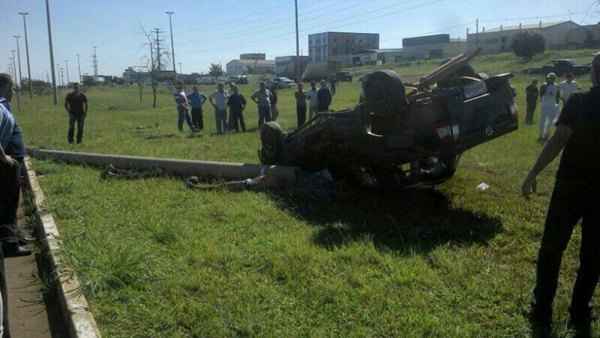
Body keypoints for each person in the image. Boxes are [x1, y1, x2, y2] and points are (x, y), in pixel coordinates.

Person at [522, 53, 600, 336]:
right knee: (593, 256)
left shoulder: (578, 102)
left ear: (593, 73)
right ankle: (581, 310)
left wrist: (533, 173)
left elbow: (558, 140)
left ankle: (542, 309)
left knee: (552, 249)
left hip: (569, 187)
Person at [0, 74, 30, 258]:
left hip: (8, 166)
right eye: (11, 88)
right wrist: (5, 159)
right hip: (4, 166)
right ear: (4, 87)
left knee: (9, 203)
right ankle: (9, 245)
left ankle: (13, 237)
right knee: (7, 205)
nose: (13, 92)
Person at [538, 73, 560, 142]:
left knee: (550, 121)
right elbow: (541, 94)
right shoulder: (544, 85)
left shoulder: (556, 85)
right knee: (543, 120)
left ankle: (546, 135)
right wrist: (547, 86)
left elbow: (557, 95)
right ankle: (541, 135)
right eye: (550, 78)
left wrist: (557, 104)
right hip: (545, 105)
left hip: (552, 105)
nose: (551, 79)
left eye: (553, 78)